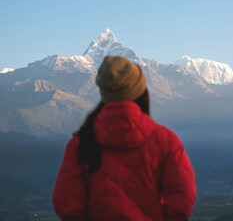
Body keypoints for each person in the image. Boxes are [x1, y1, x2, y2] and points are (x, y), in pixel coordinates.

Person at [52, 56, 196, 221]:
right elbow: (182, 198)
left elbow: (65, 201)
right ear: (140, 91)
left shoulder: (82, 142)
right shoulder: (166, 140)